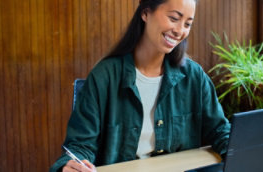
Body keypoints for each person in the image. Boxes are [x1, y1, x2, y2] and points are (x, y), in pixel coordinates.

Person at [50, 0, 230, 171]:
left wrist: (245, 150)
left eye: (187, 24)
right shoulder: (103, 77)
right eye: (174, 18)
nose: (179, 31)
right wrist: (72, 165)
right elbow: (80, 146)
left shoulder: (194, 77)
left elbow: (219, 132)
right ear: (145, 13)